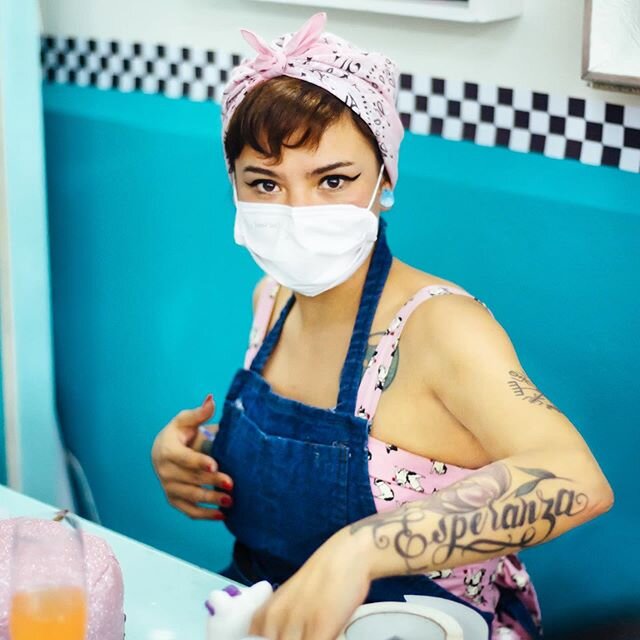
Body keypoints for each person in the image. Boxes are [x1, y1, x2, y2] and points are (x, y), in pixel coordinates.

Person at [151, 12, 614, 640]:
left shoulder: (440, 326)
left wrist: (360, 550)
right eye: (265, 183)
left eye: (333, 180)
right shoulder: (272, 300)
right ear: (233, 183)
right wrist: (196, 461)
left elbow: (576, 479)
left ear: (385, 178)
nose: (297, 213)